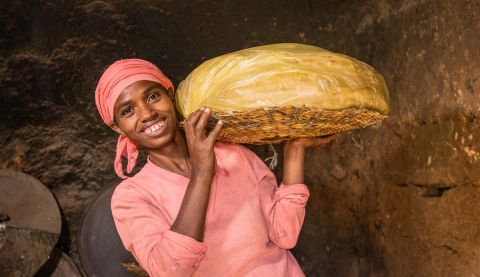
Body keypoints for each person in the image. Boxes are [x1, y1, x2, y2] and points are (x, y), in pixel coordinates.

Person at [95, 58, 335, 277]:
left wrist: (294, 150)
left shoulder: (233, 154)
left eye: (153, 97)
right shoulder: (132, 197)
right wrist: (202, 173)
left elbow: (285, 234)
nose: (147, 113)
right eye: (128, 111)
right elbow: (171, 270)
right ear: (118, 127)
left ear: (170, 94)